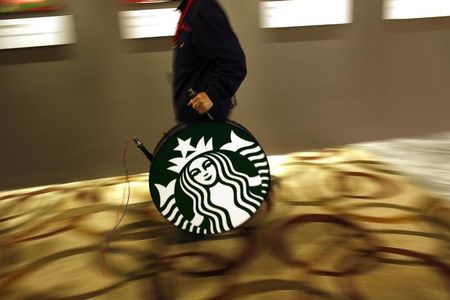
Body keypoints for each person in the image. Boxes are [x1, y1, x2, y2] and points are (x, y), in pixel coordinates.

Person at [172, 0, 247, 123]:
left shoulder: (204, 8)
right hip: (193, 120)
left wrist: (213, 94)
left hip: (206, 122)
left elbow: (234, 63)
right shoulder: (190, 9)